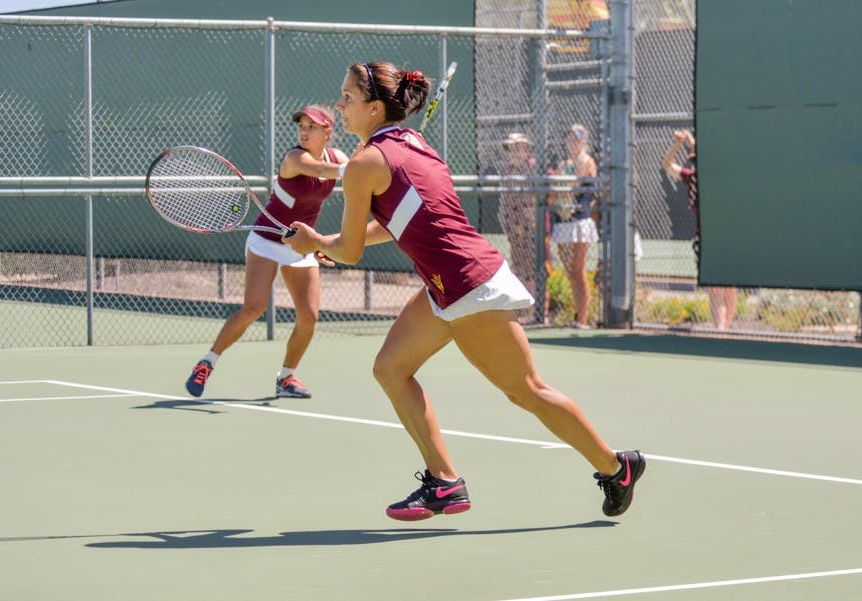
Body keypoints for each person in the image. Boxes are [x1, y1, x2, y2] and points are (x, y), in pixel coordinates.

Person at [284, 61, 645, 521]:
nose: (340, 106)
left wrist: (315, 242)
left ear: (375, 108)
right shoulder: (413, 144)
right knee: (391, 368)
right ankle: (444, 482)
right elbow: (402, 220)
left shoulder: (363, 164)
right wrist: (321, 243)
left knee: (527, 391)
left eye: (348, 98)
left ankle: (617, 469)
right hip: (445, 284)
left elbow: (350, 249)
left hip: (468, 285)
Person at [185, 105, 350, 398]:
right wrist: (353, 167)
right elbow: (321, 171)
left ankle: (286, 378)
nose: (304, 130)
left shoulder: (339, 158)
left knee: (309, 317)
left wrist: (318, 243)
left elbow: (351, 174)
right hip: (267, 239)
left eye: (312, 126)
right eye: (301, 125)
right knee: (254, 308)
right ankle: (207, 363)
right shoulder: (295, 158)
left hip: (300, 243)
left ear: (328, 132)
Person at [662, 129, 737, 330]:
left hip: (724, 236)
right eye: (694, 161)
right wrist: (679, 145)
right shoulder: (693, 177)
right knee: (717, 286)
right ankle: (721, 330)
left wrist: (691, 143)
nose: (695, 164)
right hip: (706, 238)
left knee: (727, 286)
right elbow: (667, 165)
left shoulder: (717, 179)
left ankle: (723, 330)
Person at [548, 124, 599, 329]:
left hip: (579, 221)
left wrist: (562, 185)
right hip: (563, 221)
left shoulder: (587, 161)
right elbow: (556, 191)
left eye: (577, 139)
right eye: (570, 139)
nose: (573, 143)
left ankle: (583, 319)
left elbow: (572, 185)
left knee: (578, 271)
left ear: (584, 142)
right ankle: (578, 315)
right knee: (570, 272)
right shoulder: (563, 163)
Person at [498, 132, 539, 318]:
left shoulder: (529, 169)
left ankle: (533, 309)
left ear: (525, 150)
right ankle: (523, 307)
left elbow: (533, 199)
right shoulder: (508, 170)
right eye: (512, 148)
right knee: (518, 266)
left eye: (518, 148)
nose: (514, 152)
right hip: (514, 228)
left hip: (528, 227)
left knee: (531, 268)